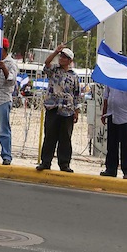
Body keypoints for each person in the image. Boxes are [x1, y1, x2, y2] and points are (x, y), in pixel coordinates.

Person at [36, 44, 80, 173]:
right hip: (53, 107)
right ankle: (45, 162)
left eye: (64, 57)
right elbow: (46, 63)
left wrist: (76, 111)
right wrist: (56, 51)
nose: (61, 59)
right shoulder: (54, 70)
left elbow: (77, 95)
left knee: (65, 138)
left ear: (70, 61)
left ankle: (64, 164)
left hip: (67, 110)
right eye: (61, 56)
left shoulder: (74, 76)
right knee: (50, 136)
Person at [100, 86, 127, 179]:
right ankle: (111, 169)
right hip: (112, 114)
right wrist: (104, 113)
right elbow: (106, 97)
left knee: (126, 145)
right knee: (111, 144)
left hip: (125, 116)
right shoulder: (111, 79)